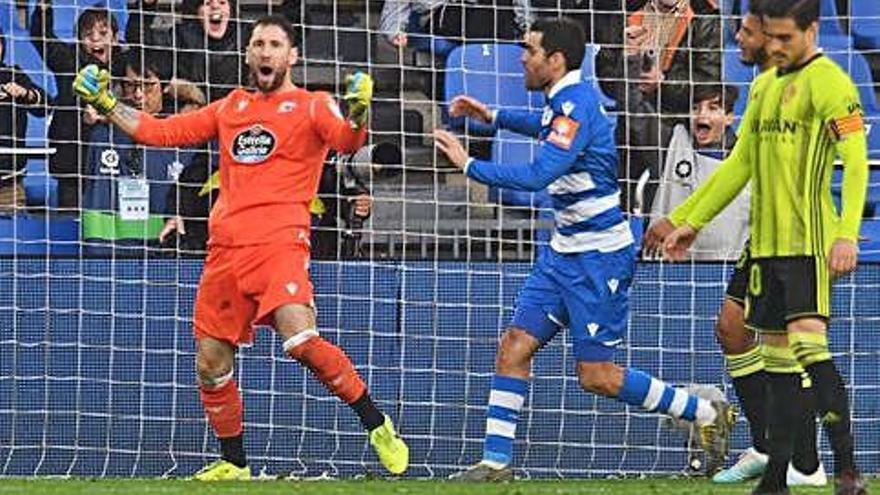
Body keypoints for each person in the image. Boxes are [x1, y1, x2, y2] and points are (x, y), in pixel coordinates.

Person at [73, 14, 409, 479]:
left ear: (291, 56)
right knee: (210, 363)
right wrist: (107, 103)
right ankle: (236, 465)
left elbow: (348, 139)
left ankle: (377, 424)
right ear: (248, 54)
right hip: (225, 251)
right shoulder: (230, 107)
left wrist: (358, 112)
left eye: (274, 44)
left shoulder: (313, 105)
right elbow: (160, 132)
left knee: (299, 339)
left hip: (279, 245)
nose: (265, 52)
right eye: (258, 44)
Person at [433, 17, 734, 481]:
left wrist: (468, 163)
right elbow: (545, 124)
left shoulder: (575, 105)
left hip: (598, 258)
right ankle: (494, 464)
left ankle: (704, 412)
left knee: (596, 375)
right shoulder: (562, 101)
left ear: (555, 60)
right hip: (563, 252)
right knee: (514, 346)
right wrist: (493, 116)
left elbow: (537, 176)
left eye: (530, 51)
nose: (521, 58)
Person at [661, 0, 869, 493]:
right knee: (773, 359)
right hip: (766, 246)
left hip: (807, 241)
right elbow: (740, 164)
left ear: (810, 30)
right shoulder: (763, 85)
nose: (773, 46)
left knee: (807, 348)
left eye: (783, 38)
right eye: (769, 37)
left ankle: (844, 468)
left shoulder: (833, 84)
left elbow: (856, 162)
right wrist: (691, 219)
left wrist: (847, 232)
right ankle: (780, 469)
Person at [81, 49, 203, 255]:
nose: (138, 94)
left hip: (165, 251)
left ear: (165, 87)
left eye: (147, 85)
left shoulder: (182, 133)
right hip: (106, 255)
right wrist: (86, 124)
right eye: (131, 85)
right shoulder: (100, 132)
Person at [30, 3, 122, 210]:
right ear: (80, 40)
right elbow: (40, 36)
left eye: (103, 33)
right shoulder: (67, 60)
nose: (95, 38)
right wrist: (44, 7)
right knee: (72, 223)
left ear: (115, 39)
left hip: (115, 164)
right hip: (72, 164)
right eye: (88, 34)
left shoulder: (127, 66)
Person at [649, 84, 748, 261]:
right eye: (695, 108)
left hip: (728, 270)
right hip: (670, 268)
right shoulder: (671, 142)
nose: (702, 114)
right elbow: (636, 119)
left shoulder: (747, 163)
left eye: (713, 108)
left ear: (729, 118)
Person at [0, 28, 47, 213]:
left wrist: (25, 93)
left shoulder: (13, 74)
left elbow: (46, 107)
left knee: (11, 239)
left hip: (8, 187)